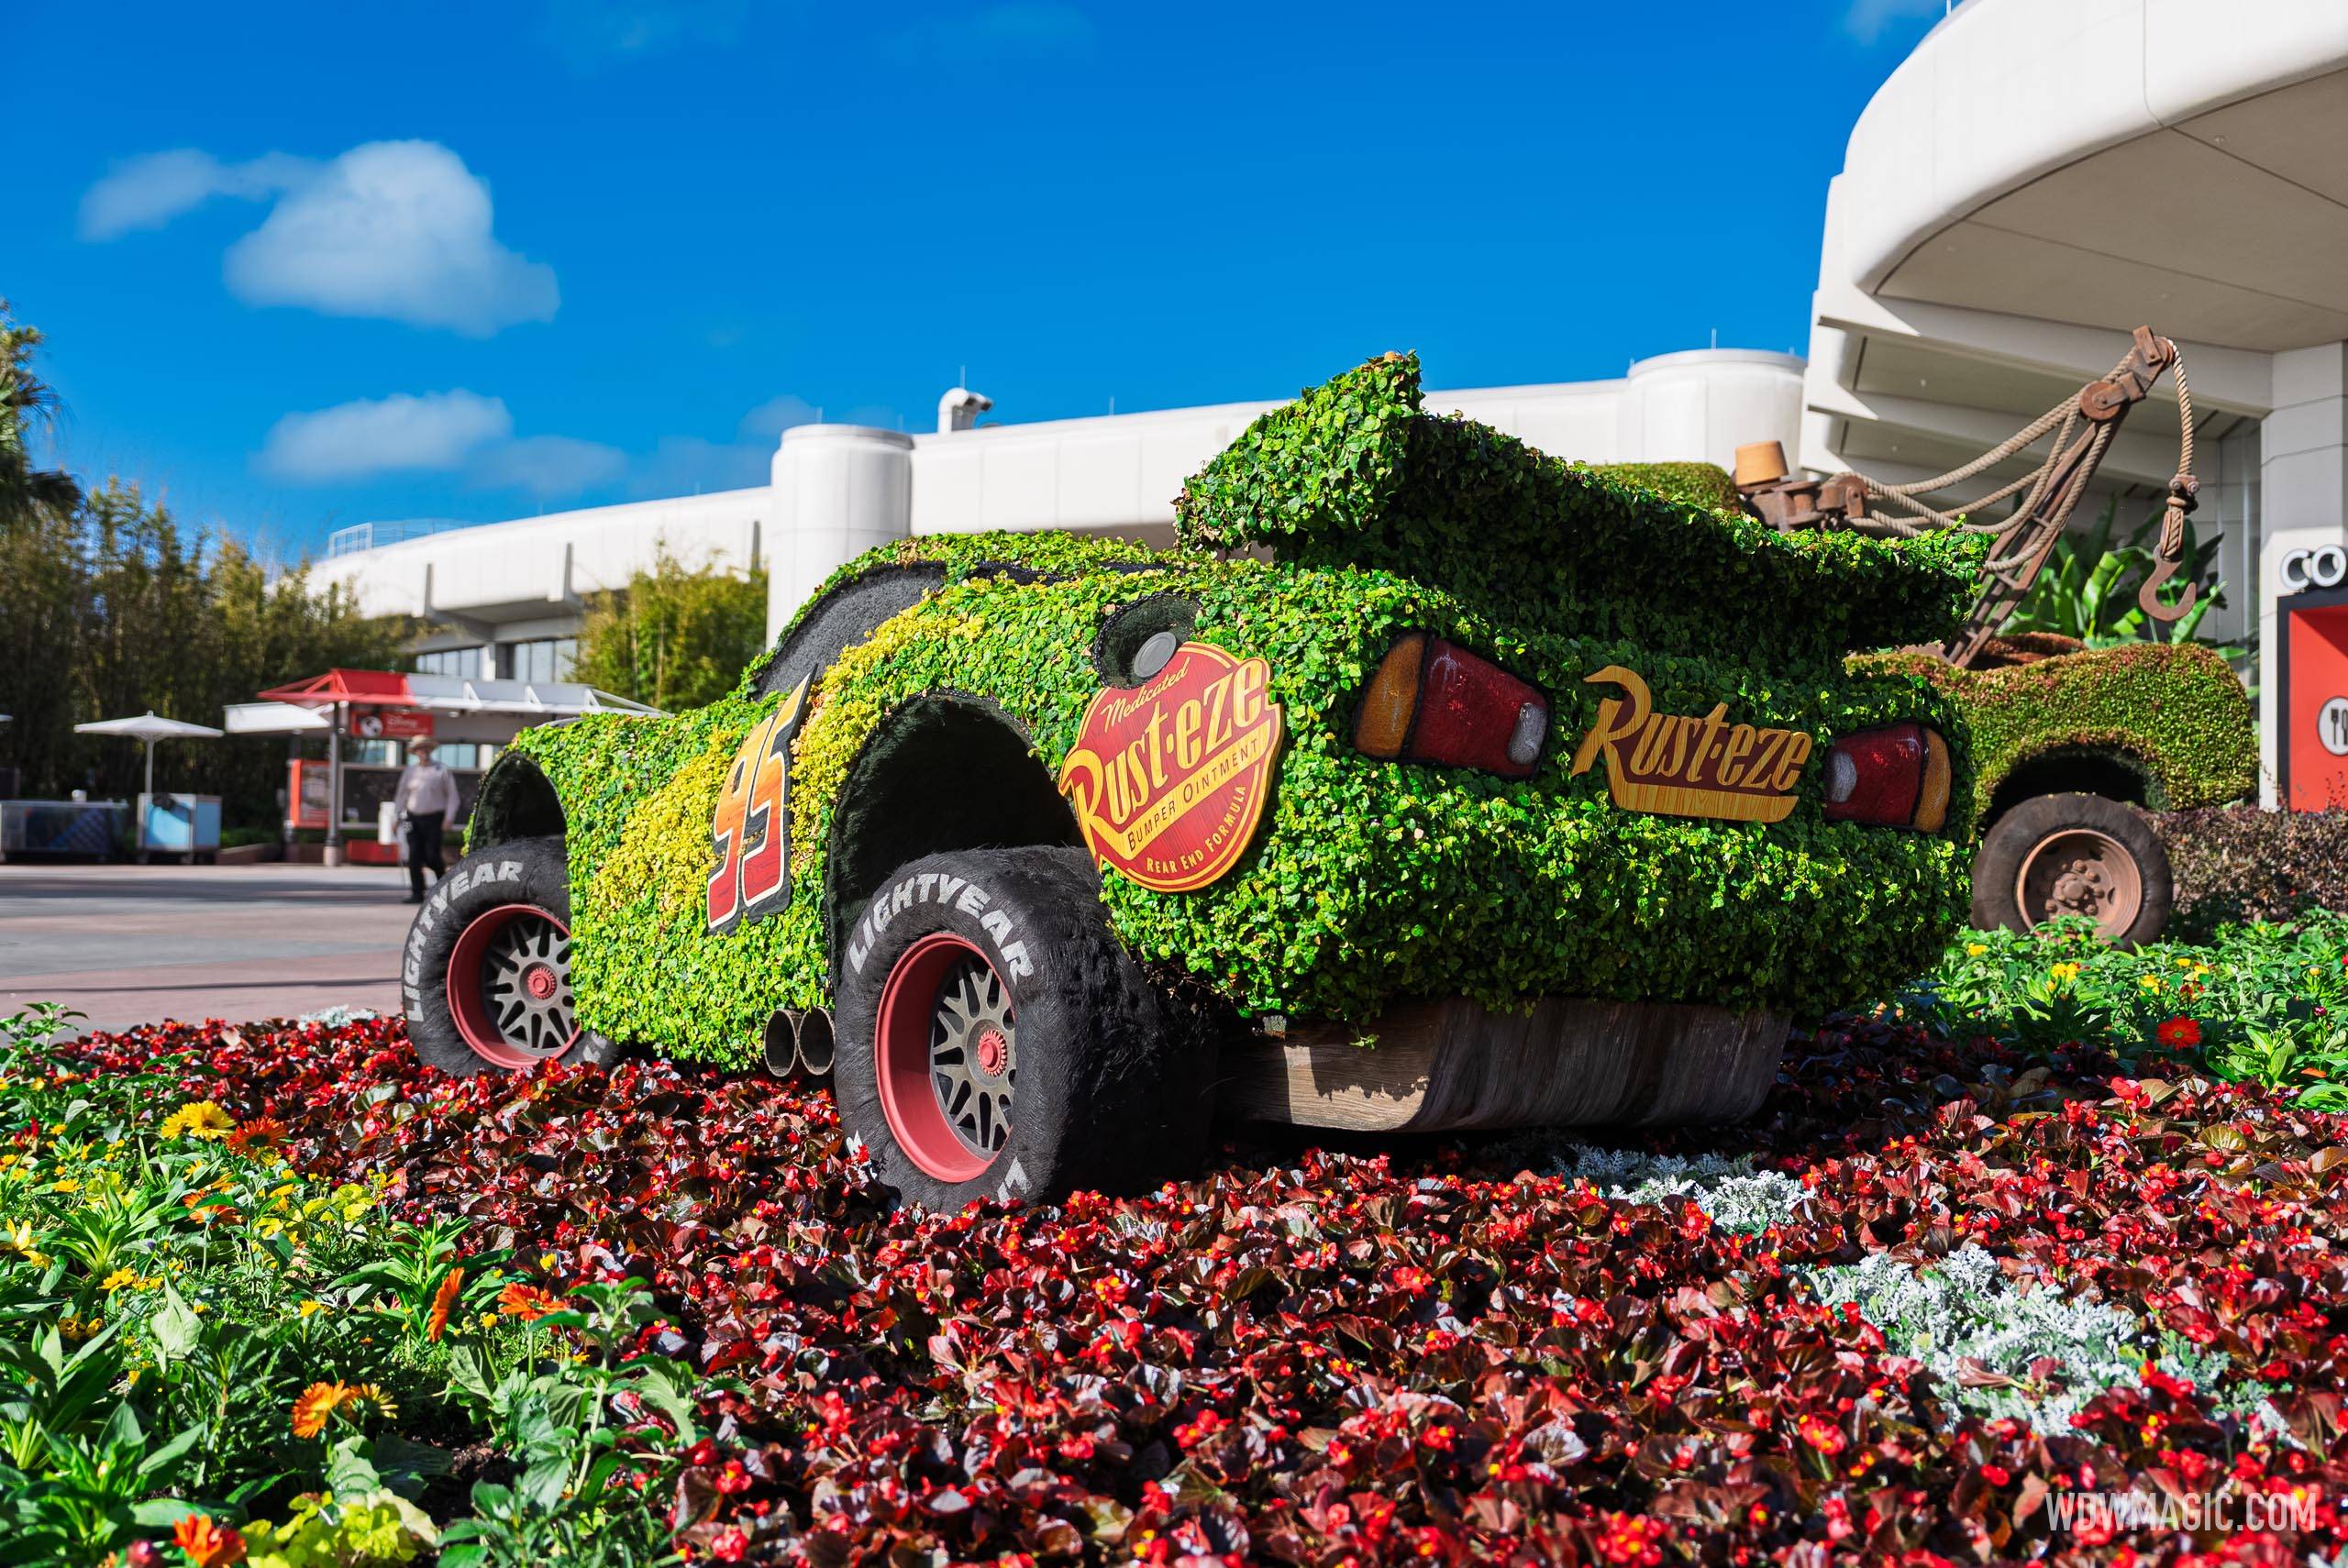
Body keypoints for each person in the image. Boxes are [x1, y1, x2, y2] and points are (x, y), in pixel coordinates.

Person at [394, 739, 460, 903]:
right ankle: (417, 893)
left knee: (432, 855)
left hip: (434, 818)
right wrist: (396, 817)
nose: (422, 751)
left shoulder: (441, 769)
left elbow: (453, 796)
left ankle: (444, 889)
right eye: (419, 748)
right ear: (415, 752)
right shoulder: (410, 771)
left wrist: (449, 818)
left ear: (430, 750)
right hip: (412, 819)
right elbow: (401, 795)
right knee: (414, 855)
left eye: (425, 748)